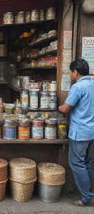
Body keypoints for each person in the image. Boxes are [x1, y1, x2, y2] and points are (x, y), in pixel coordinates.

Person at [59, 59, 94, 206]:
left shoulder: (78, 87)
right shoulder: (93, 84)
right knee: (88, 163)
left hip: (80, 132)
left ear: (76, 72)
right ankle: (89, 194)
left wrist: (59, 107)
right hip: (92, 131)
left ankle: (86, 197)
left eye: (70, 72)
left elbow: (66, 108)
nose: (70, 74)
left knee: (76, 163)